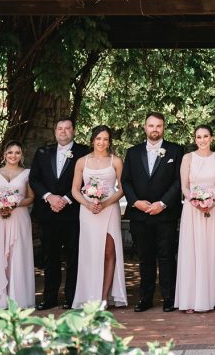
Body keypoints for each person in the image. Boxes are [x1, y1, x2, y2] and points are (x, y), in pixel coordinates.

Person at [122, 112, 184, 312]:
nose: (155, 129)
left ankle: (169, 297)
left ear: (163, 127)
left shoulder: (175, 151)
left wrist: (163, 203)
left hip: (165, 214)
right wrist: (135, 202)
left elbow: (178, 181)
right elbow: (126, 181)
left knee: (166, 256)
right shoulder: (132, 152)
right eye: (151, 125)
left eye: (158, 126)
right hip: (139, 214)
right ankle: (145, 298)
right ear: (144, 128)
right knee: (144, 257)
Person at [29, 117, 90, 310]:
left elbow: (86, 181)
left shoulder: (83, 153)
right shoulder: (42, 152)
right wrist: (49, 197)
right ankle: (49, 298)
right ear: (55, 131)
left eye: (67, 128)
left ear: (73, 130)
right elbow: (34, 179)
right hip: (48, 213)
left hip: (73, 213)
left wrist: (65, 199)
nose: (63, 131)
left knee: (74, 257)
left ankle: (71, 297)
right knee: (50, 257)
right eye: (60, 128)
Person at [175, 126, 215, 312]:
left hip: (214, 209)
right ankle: (192, 299)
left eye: (205, 136)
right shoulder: (188, 158)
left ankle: (214, 297)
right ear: (195, 139)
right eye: (198, 137)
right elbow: (184, 186)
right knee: (193, 251)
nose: (202, 140)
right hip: (193, 210)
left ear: (212, 138)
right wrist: (195, 201)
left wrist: (212, 201)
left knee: (212, 250)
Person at [71, 125, 126, 307]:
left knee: (109, 252)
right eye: (99, 139)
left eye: (106, 139)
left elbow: (123, 189)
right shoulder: (81, 162)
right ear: (92, 140)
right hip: (88, 211)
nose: (102, 142)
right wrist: (88, 204)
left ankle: (103, 297)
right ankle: (89, 295)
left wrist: (105, 203)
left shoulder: (116, 161)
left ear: (109, 142)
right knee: (90, 253)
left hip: (109, 209)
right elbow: (75, 190)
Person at [0, 140, 35, 310]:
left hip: (19, 218)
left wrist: (14, 205)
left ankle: (17, 298)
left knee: (17, 255)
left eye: (17, 152)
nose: (13, 156)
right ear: (4, 155)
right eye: (10, 152)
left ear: (21, 155)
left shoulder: (27, 174)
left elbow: (31, 197)